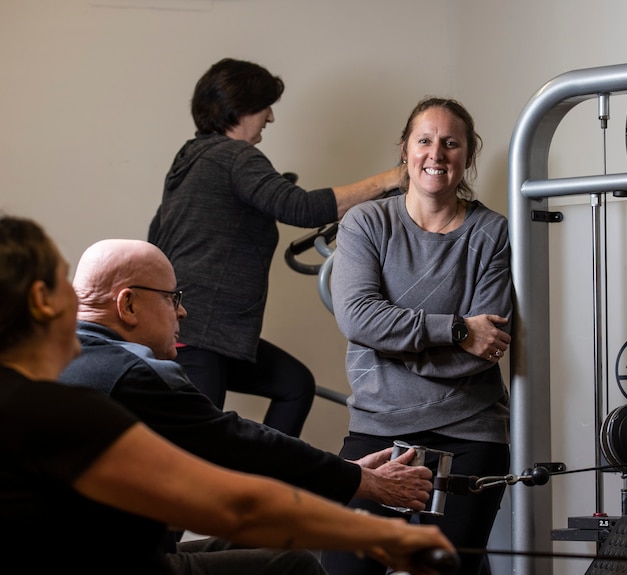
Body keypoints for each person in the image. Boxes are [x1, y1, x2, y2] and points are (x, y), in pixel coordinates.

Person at [0, 214, 453, 574]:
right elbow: (236, 501)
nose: (78, 297)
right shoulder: (83, 393)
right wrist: (379, 532)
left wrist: (346, 486)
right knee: (291, 566)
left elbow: (203, 501)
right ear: (42, 299)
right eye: (65, 280)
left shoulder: (35, 398)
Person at [147, 57, 402, 437]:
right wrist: (393, 177)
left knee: (294, 385)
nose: (270, 117)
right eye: (265, 105)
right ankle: (252, 492)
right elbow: (300, 207)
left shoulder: (190, 158)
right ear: (239, 105)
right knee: (197, 450)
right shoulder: (235, 157)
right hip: (200, 333)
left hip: (195, 328)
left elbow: (161, 233)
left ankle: (269, 482)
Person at [321, 97, 513, 575]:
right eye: (424, 140)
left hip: (470, 430)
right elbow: (359, 318)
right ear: (405, 152)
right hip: (379, 428)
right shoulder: (367, 222)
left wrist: (392, 345)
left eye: (452, 143)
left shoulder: (491, 232)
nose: (436, 153)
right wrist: (453, 329)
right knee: (343, 567)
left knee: (444, 569)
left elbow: (484, 348)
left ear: (468, 156)